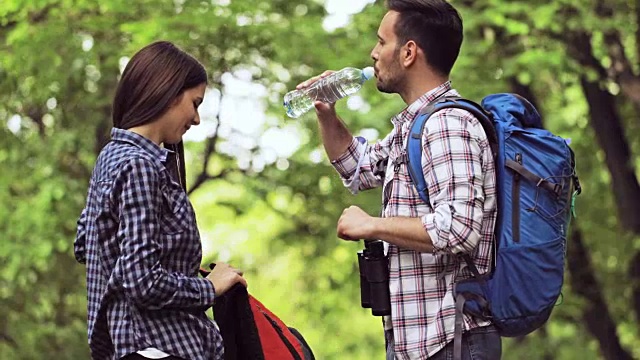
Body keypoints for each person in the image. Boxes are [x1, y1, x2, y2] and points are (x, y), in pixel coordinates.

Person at [297, 0, 501, 359]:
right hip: (419, 342)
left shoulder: (446, 125)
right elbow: (357, 167)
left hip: (452, 340)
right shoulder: (414, 128)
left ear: (408, 52)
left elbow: (459, 229)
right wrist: (326, 113)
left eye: (381, 42)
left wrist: (372, 225)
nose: (373, 54)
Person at [74, 41, 247, 360]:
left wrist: (176, 264)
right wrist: (211, 287)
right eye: (195, 103)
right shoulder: (140, 166)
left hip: (130, 346)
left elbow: (86, 244)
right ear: (167, 91)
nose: (196, 119)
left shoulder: (110, 157)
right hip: (159, 346)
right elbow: (142, 281)